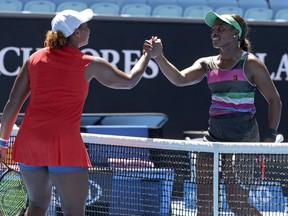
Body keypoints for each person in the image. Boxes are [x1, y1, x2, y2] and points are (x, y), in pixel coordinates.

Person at [0, 9, 154, 216]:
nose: (89, 29)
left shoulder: (34, 59)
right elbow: (129, 82)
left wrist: (2, 142)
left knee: (37, 205)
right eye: (84, 26)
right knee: (73, 210)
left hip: (30, 144)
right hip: (63, 144)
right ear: (75, 34)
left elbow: (12, 103)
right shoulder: (89, 63)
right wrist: (146, 56)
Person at [144, 12, 282, 215]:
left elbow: (274, 100)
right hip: (213, 138)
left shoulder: (251, 64)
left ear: (236, 33)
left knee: (237, 204)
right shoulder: (207, 64)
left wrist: (270, 135)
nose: (214, 33)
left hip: (243, 140)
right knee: (205, 206)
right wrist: (158, 56)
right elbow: (180, 79)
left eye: (221, 29)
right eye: (213, 29)